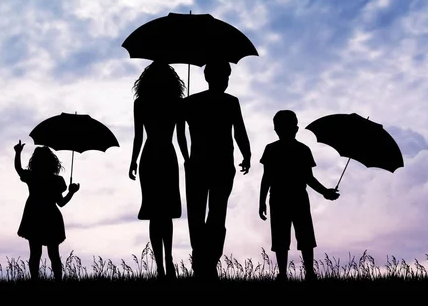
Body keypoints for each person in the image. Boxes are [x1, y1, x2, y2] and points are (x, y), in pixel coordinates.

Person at [177, 61, 251, 280]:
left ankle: (204, 263)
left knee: (201, 216)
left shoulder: (191, 102)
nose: (225, 82)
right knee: (214, 215)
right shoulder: (229, 102)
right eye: (224, 77)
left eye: (227, 77)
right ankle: (206, 263)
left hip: (202, 165)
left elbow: (180, 134)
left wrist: (186, 158)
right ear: (212, 78)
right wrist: (246, 154)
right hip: (215, 165)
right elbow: (239, 132)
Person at [258, 110, 339, 282]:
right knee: (301, 237)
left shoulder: (273, 149)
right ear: (295, 128)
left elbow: (267, 178)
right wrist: (325, 192)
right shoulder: (301, 149)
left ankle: (285, 275)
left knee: (292, 237)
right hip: (294, 197)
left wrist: (262, 201)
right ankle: (306, 273)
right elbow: (308, 178)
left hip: (282, 198)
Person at [128, 61, 186, 280]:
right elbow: (180, 137)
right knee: (164, 213)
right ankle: (168, 261)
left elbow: (138, 137)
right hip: (167, 155)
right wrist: (187, 159)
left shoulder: (141, 103)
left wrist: (133, 161)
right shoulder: (176, 102)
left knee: (156, 213)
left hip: (149, 155)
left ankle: (162, 264)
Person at [14, 140, 80, 282]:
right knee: (53, 254)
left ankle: (35, 281)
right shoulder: (56, 180)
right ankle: (58, 281)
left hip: (34, 216)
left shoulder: (32, 177)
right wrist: (72, 192)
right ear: (52, 162)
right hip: (51, 217)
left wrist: (18, 153)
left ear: (35, 162)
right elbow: (61, 203)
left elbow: (18, 169)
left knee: (35, 253)